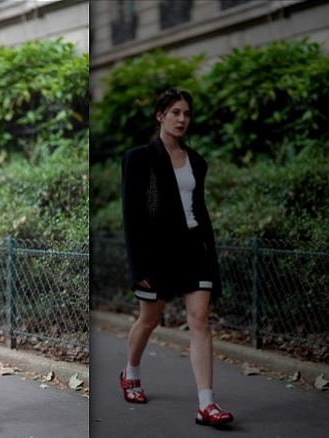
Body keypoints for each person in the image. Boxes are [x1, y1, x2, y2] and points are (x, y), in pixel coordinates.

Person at [120, 88, 233, 426]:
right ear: (160, 116)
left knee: (199, 320)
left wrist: (211, 256)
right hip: (157, 253)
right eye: (175, 113)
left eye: (186, 113)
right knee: (150, 319)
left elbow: (200, 210)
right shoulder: (139, 157)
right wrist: (139, 265)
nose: (182, 119)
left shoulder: (197, 161)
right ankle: (131, 371)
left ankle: (206, 404)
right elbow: (133, 216)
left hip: (195, 248)